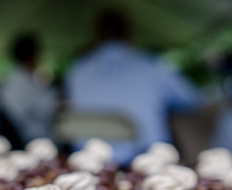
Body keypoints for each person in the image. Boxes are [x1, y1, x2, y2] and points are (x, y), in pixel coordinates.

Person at [65, 10, 200, 164]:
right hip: (148, 164)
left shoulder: (77, 70)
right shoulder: (151, 65)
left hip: (87, 165)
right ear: (129, 35)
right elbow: (192, 100)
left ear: (97, 36)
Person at [0, 33, 58, 148]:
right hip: (26, 139)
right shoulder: (16, 82)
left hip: (29, 137)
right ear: (32, 55)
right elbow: (34, 110)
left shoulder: (22, 78)